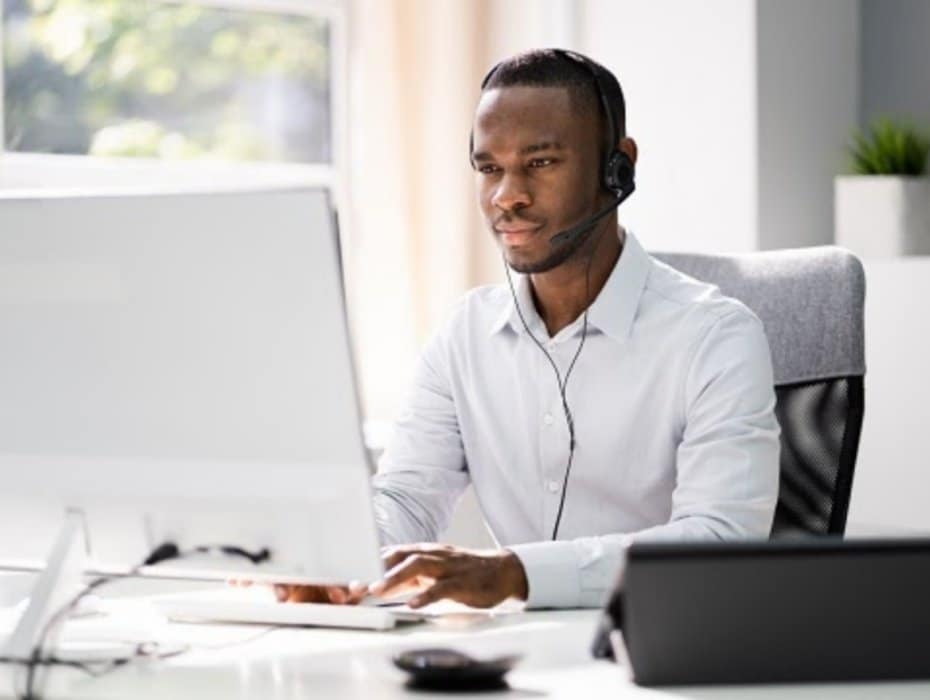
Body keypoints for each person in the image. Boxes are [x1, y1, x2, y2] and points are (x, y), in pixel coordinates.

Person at [279, 48, 780, 610]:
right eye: (489, 168)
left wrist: (519, 573)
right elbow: (406, 499)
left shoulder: (716, 337)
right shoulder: (466, 333)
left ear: (618, 166)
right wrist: (337, 561)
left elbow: (719, 541)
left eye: (540, 163)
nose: (506, 196)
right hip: (517, 657)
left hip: (667, 652)